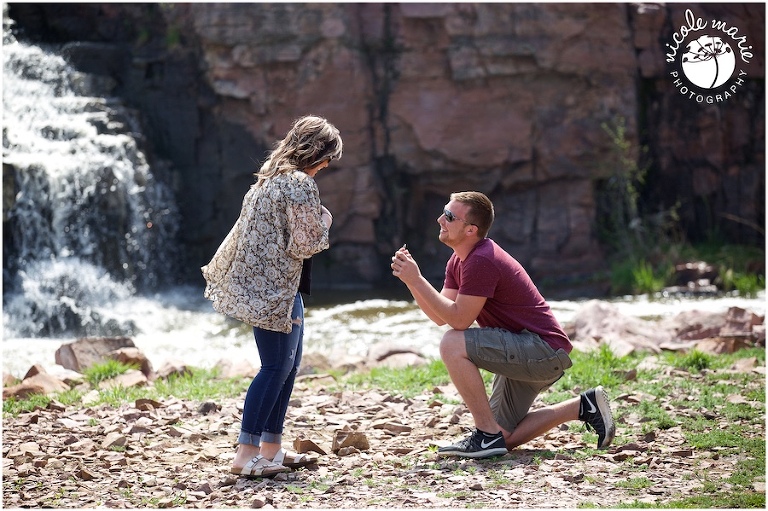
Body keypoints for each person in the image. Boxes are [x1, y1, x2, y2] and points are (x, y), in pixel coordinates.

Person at [390, 191, 615, 459]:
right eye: (444, 212)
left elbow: (460, 320)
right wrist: (412, 281)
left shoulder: (481, 259)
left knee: (452, 343)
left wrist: (417, 280)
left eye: (449, 216)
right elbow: (441, 316)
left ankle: (484, 434)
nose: (440, 219)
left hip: (541, 350)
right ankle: (583, 405)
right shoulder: (458, 261)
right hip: (528, 350)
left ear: (471, 229)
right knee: (502, 439)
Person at [201, 115, 342, 477]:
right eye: (327, 160)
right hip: (277, 291)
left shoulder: (267, 180)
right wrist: (325, 221)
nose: (325, 167)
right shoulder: (298, 184)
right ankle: (245, 455)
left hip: (266, 286)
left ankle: (271, 450)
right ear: (317, 154)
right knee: (275, 368)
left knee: (286, 368)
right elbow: (305, 243)